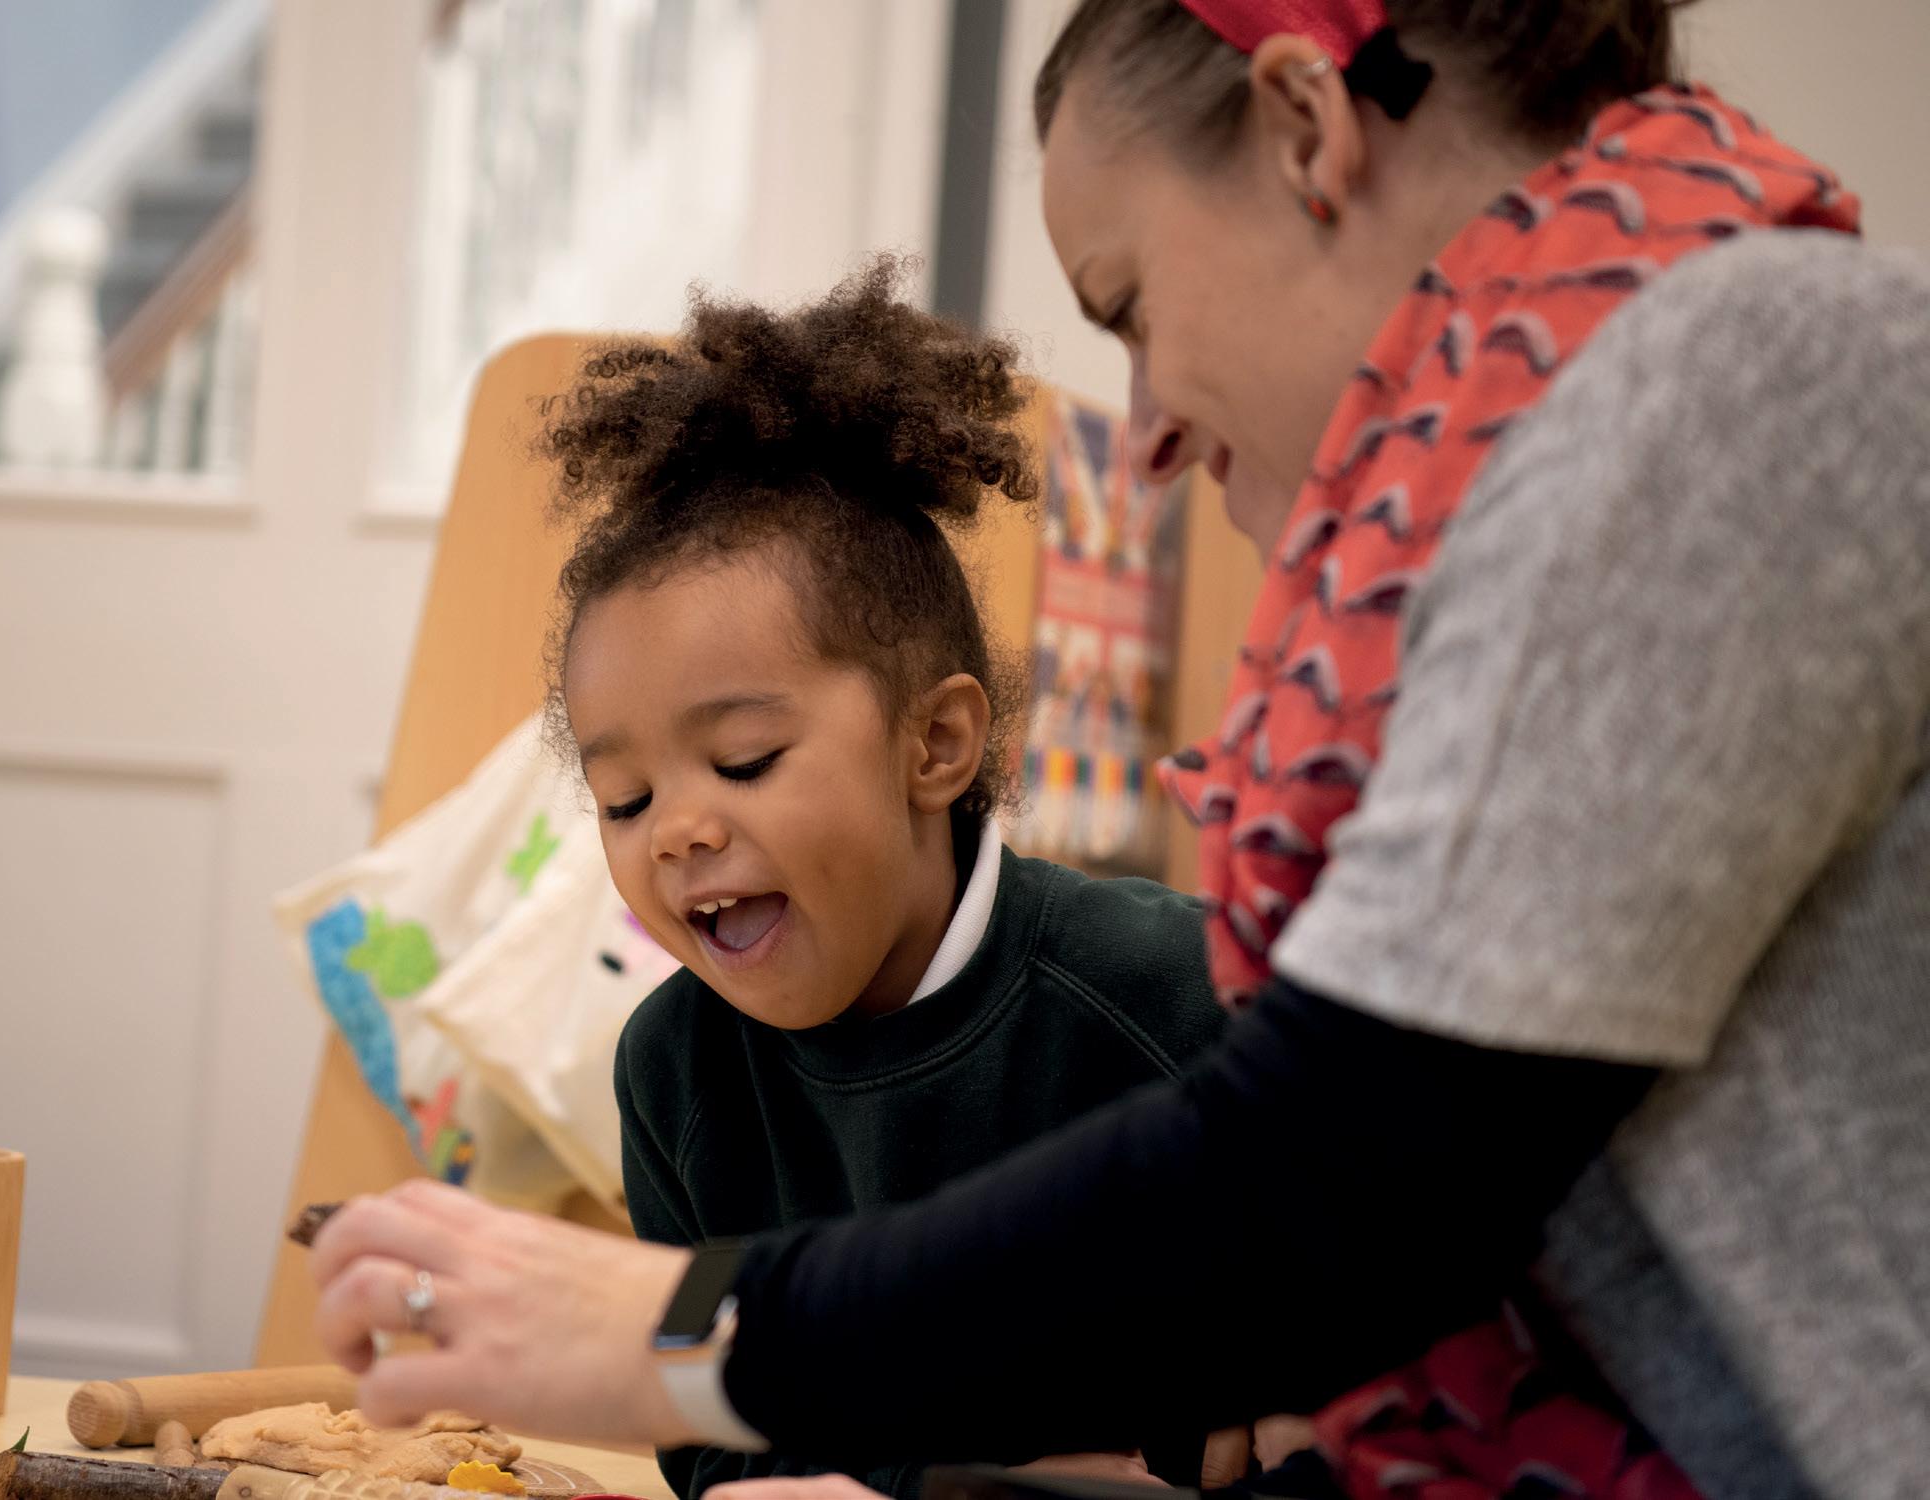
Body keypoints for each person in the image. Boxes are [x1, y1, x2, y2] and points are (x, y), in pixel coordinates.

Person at [309, 2, 1930, 1497]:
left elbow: (1337, 1177)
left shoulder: (1726, 374)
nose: (1141, 429)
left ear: (1305, 126)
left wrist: (676, 1333)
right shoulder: (1626, 410)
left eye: (1128, 306)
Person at [550, 263, 1227, 1496]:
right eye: (624, 800)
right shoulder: (671, 1073)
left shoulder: (1168, 993)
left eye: (743, 761)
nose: (675, 834)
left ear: (934, 744)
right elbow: (702, 1425)